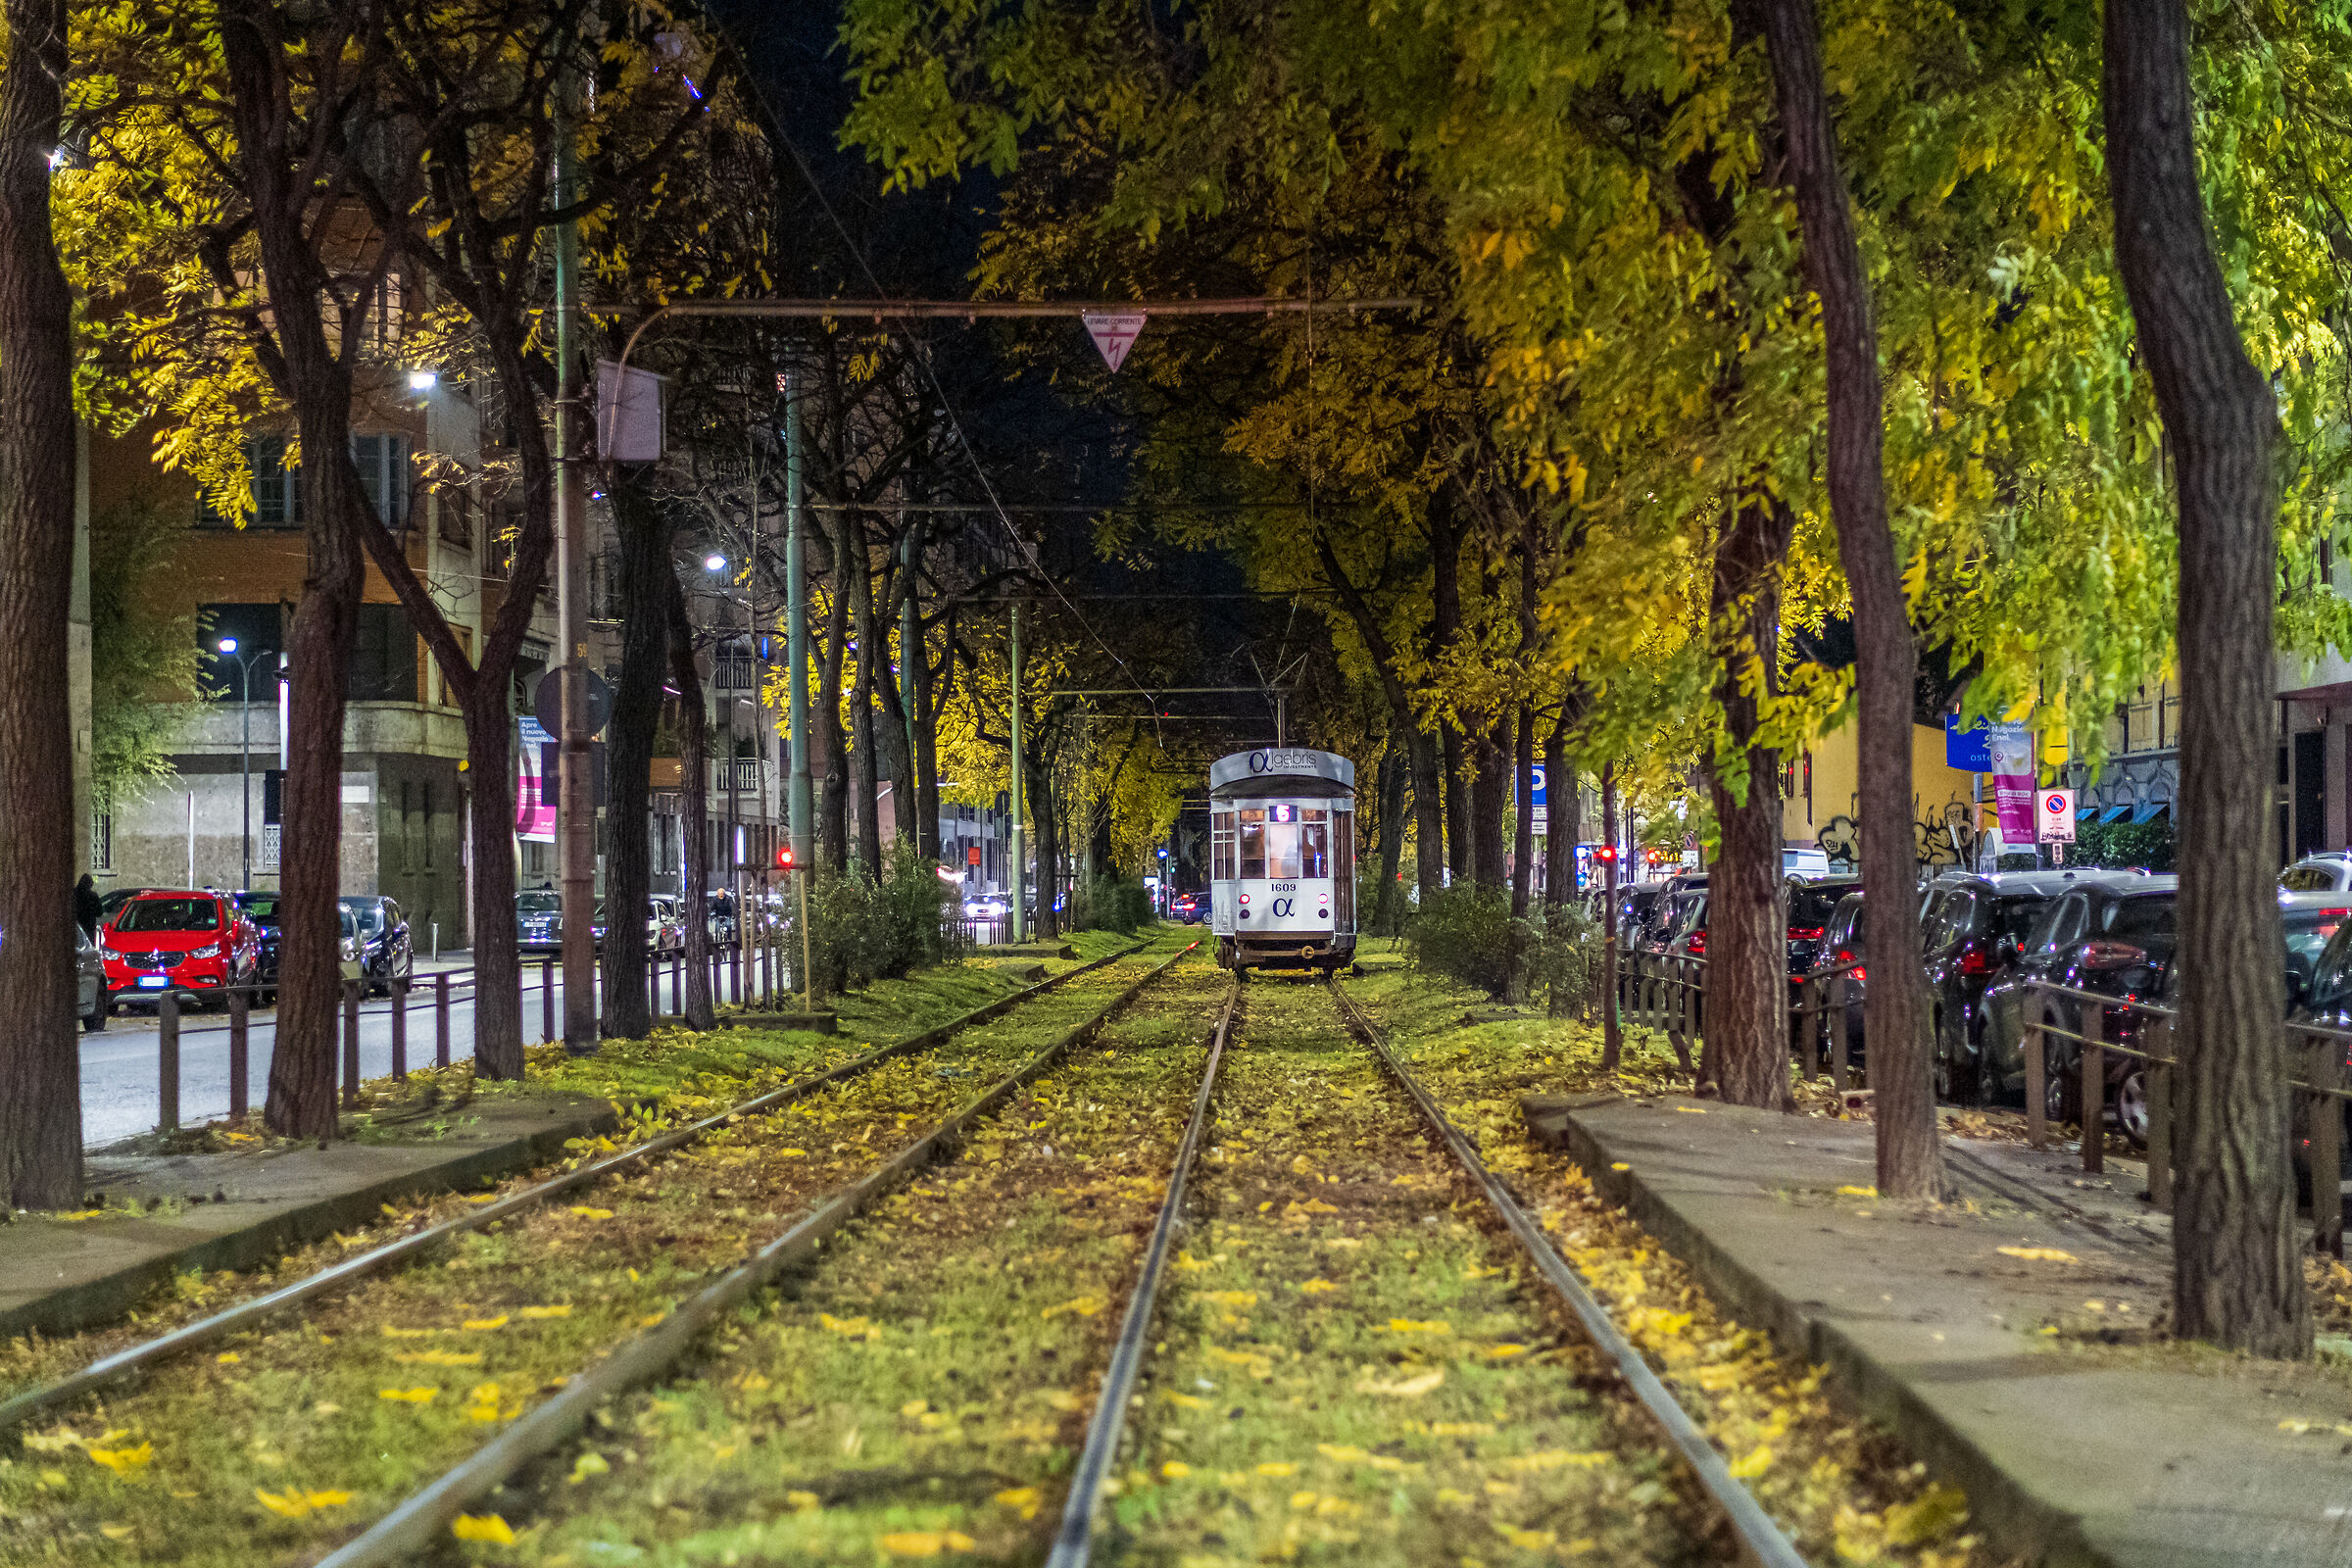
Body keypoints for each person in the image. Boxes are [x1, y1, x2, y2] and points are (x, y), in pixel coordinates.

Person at [74, 873, 102, 939]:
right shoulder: (93, 896)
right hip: (89, 926)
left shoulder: (73, 893)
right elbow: (99, 912)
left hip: (76, 926)